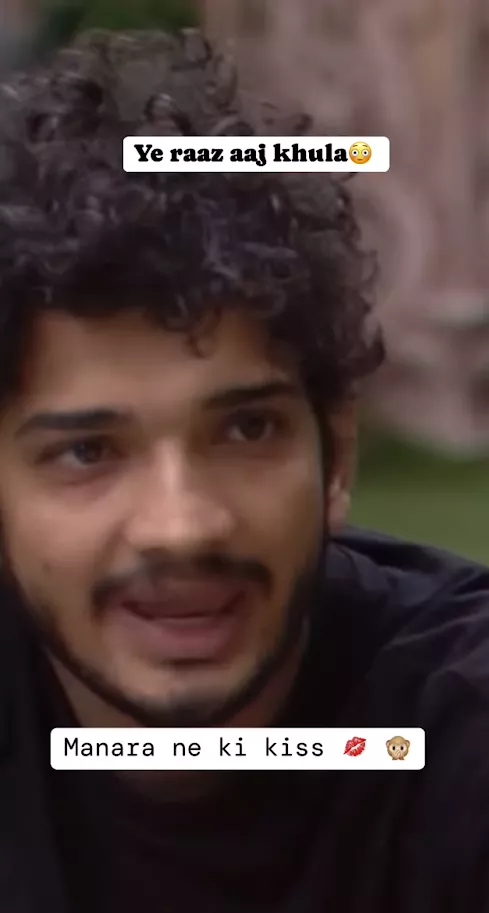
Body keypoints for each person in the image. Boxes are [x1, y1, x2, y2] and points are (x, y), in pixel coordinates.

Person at [0, 26, 488, 913]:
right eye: (87, 451)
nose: (181, 525)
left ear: (335, 455)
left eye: (246, 428)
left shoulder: (457, 728)